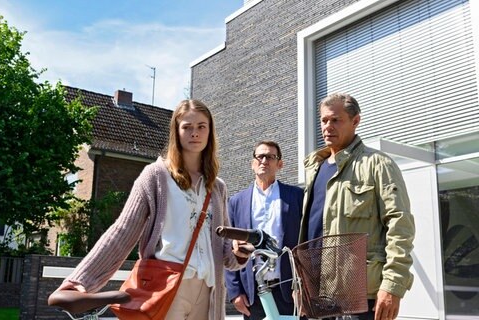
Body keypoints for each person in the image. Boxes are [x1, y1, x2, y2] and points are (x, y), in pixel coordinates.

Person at [53, 99, 252, 320]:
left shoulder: (217, 187)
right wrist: (79, 281)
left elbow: (224, 251)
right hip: (166, 286)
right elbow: (122, 231)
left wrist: (237, 252)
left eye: (201, 126)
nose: (194, 133)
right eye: (187, 127)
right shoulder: (156, 176)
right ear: (176, 131)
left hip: (209, 289)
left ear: (210, 132)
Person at [299, 93, 415, 320]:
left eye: (335, 120)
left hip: (358, 297)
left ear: (356, 121)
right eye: (324, 121)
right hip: (315, 297)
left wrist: (392, 285)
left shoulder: (378, 164)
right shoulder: (314, 170)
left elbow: (401, 226)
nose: (327, 127)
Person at [225, 140, 304, 319]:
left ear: (280, 164)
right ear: (253, 164)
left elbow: (305, 243)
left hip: (290, 291)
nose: (264, 161)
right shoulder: (237, 202)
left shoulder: (296, 196)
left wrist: (304, 287)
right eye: (259, 156)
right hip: (252, 294)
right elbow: (228, 247)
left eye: (270, 157)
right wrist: (234, 291)